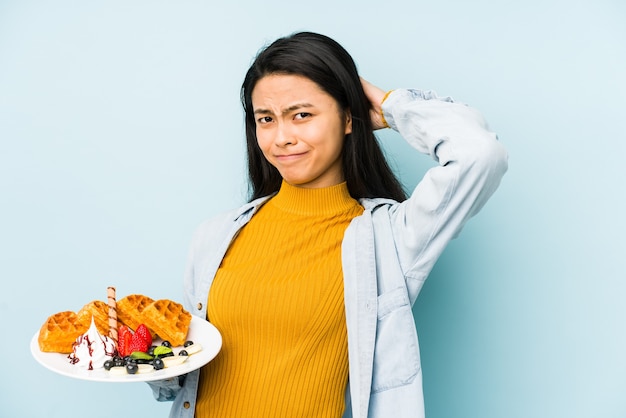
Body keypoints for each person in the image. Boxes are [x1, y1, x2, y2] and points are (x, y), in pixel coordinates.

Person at [148, 31, 508, 418]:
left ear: (348, 118)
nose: (282, 137)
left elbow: (480, 154)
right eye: (266, 119)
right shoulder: (216, 235)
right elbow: (185, 373)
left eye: (302, 115)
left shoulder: (391, 238)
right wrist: (149, 348)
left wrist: (390, 108)